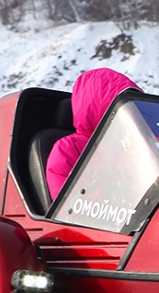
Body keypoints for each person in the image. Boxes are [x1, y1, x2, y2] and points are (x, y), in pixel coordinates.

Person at [47, 68, 141, 198]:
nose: (128, 113)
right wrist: (110, 194)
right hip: (105, 215)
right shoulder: (69, 149)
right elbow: (66, 207)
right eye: (121, 107)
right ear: (97, 107)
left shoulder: (136, 146)